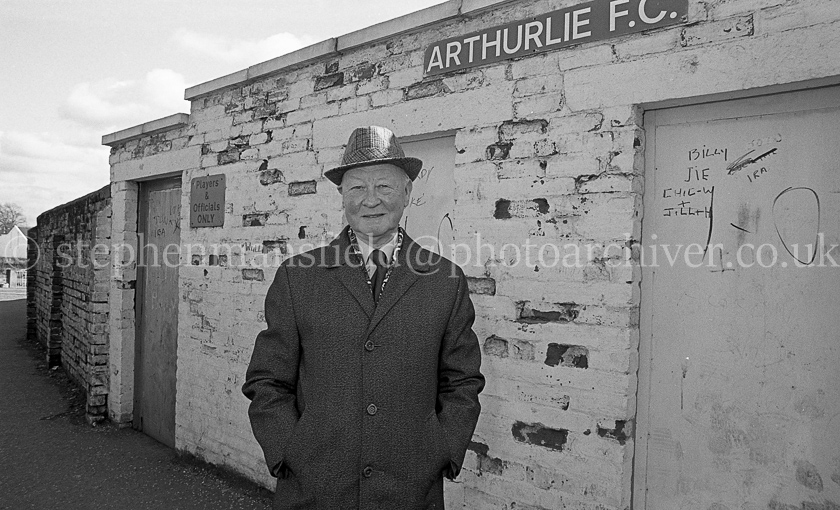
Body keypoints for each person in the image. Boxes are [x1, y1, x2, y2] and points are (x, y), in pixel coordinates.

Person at [243, 126, 485, 510]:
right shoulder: (298, 276)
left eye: (385, 187)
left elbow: (462, 381)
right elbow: (267, 380)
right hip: (314, 487)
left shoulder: (445, 280)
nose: (370, 200)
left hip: (411, 490)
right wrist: (289, 449)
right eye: (356, 188)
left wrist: (442, 449)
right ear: (342, 196)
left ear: (407, 193)